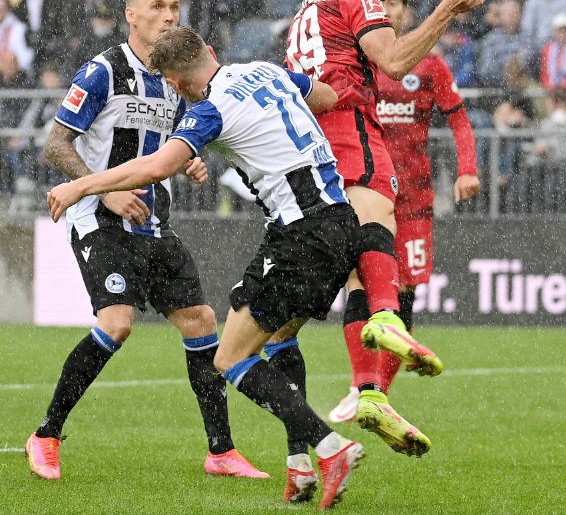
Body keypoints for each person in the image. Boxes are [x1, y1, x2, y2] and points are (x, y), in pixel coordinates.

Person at [46, 25, 364, 509]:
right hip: (342, 221)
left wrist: (80, 187)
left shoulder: (208, 112)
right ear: (211, 52)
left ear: (173, 83)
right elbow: (323, 94)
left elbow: (154, 168)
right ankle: (299, 467)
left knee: (230, 359)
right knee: (279, 337)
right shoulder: (263, 71)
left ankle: (328, 446)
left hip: (300, 232)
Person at [26, 0, 266, 483]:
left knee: (201, 321)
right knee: (117, 323)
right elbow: (55, 144)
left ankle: (221, 451)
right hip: (100, 217)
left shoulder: (175, 79)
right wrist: (102, 190)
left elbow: (167, 148)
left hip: (155, 223)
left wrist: (191, 163)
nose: (170, 14)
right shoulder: (103, 71)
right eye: (158, 6)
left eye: (175, 6)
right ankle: (46, 434)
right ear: (131, 15)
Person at [282, 0, 485, 456]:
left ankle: (366, 394)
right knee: (378, 226)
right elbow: (393, 59)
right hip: (350, 131)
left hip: (306, 145)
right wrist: (449, 9)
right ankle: (389, 318)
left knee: (339, 278)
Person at [327, 0, 480, 423]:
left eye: (393, 2)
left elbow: (459, 117)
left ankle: (379, 394)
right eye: (381, 3)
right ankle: (362, 385)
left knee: (403, 293)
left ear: (407, 11)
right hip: (366, 193)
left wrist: (467, 167)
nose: (386, 9)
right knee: (359, 283)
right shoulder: (357, 63)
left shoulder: (429, 65)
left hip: (412, 202)